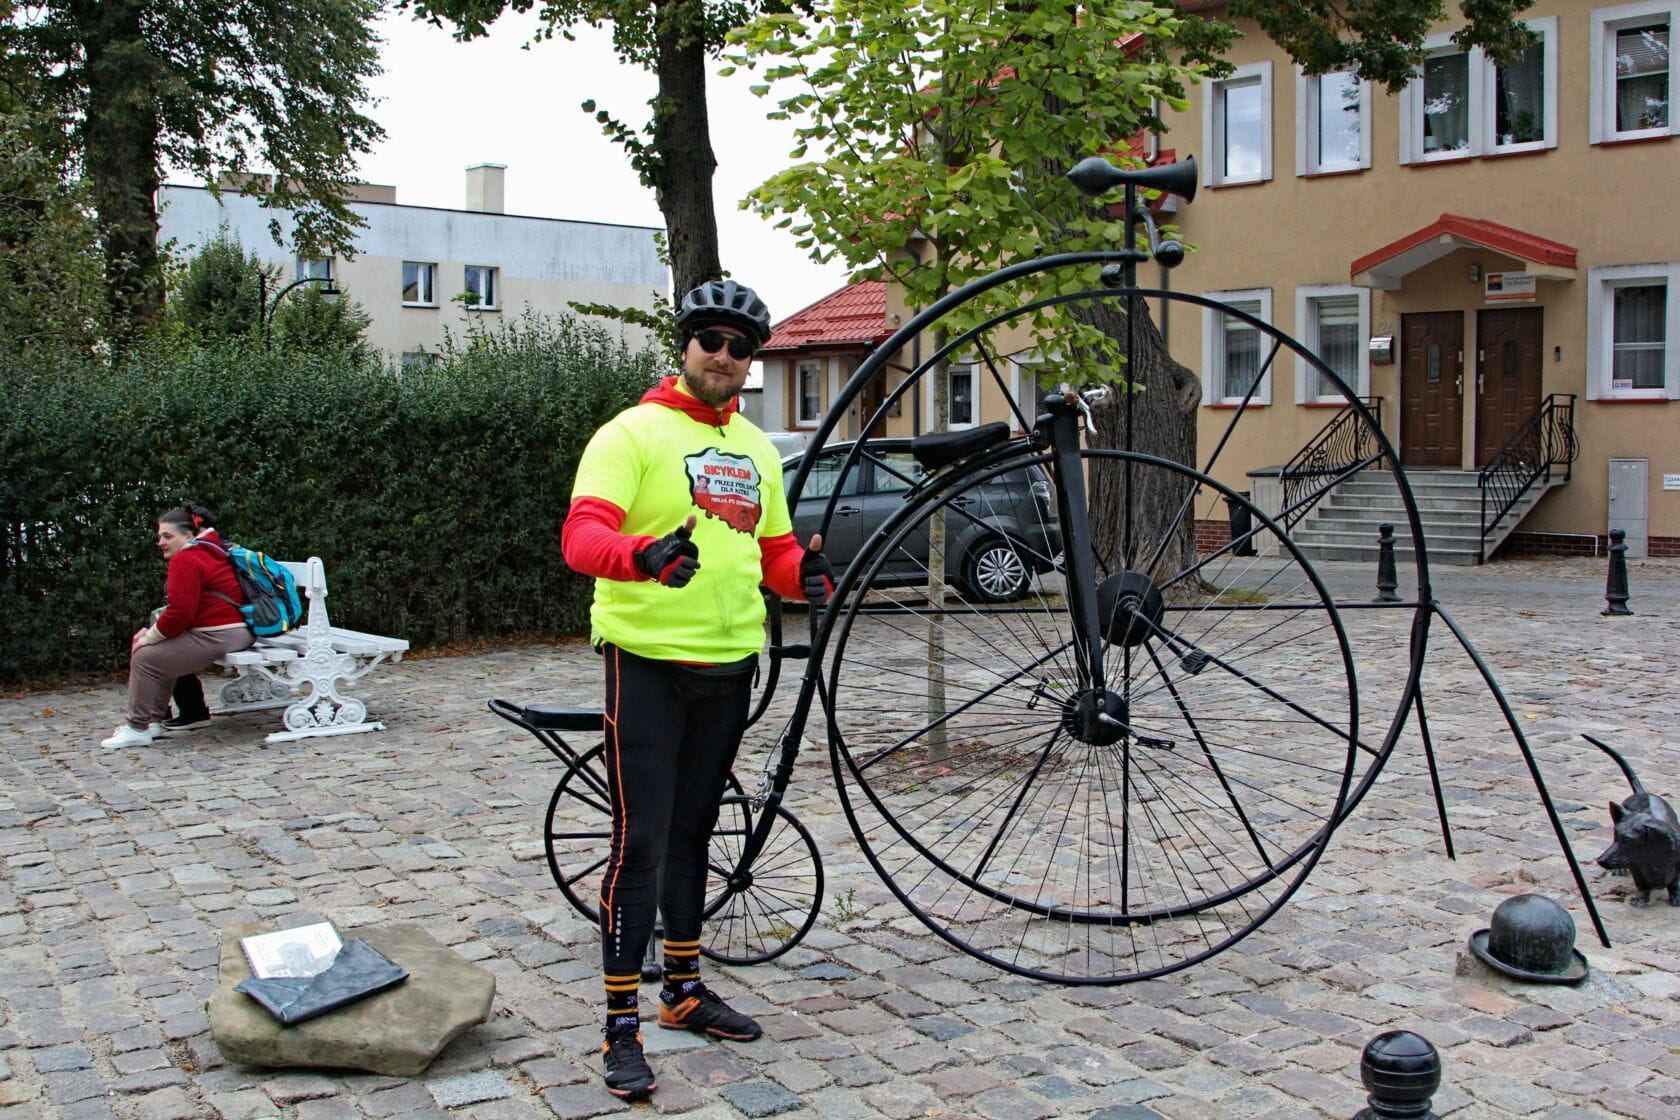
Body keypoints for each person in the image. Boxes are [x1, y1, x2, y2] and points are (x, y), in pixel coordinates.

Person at [561, 279, 833, 1100]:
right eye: (710, 340)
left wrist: (804, 575)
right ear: (685, 346)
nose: (723, 356)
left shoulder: (755, 448)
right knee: (639, 839)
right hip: (645, 661)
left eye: (739, 347)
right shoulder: (631, 433)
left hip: (728, 664)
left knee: (696, 831)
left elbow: (774, 552)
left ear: (752, 363)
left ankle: (681, 991)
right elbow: (582, 537)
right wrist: (641, 555)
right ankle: (620, 1027)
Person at [101, 504, 254, 749]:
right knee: (157, 652)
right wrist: (155, 634)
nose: (160, 542)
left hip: (219, 634)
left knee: (145, 657)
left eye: (167, 536)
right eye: (160, 536)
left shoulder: (187, 557)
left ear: (189, 536)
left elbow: (180, 612)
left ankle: (137, 727)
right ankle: (151, 722)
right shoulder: (210, 551)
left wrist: (150, 637)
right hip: (233, 632)